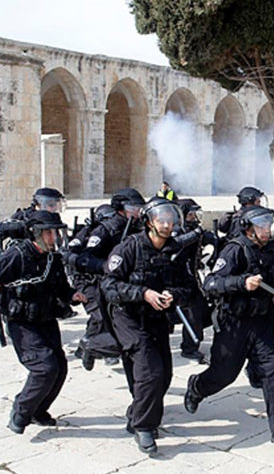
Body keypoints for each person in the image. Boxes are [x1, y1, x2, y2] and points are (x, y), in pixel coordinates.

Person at [183, 206, 274, 444]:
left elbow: (273, 279)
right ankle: (197, 387)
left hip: (260, 322)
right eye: (261, 226)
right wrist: (242, 282)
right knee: (223, 375)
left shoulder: (270, 249)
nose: (266, 230)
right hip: (234, 325)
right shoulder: (234, 250)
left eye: (268, 225)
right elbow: (211, 283)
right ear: (248, 228)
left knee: (273, 368)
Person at [102, 198, 195, 454]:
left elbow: (189, 288)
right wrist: (143, 293)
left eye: (170, 220)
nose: (167, 225)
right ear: (149, 222)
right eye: (161, 220)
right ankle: (144, 427)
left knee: (163, 375)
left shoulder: (174, 251)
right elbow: (109, 286)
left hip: (157, 319)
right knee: (149, 372)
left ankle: (137, 414)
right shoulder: (128, 248)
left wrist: (172, 295)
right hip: (128, 317)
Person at [2, 211, 86, 434]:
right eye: (48, 232)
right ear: (36, 233)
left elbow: (60, 287)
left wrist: (72, 296)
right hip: (22, 322)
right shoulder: (16, 255)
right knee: (44, 368)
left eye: (55, 232)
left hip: (46, 318)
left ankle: (38, 410)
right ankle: (21, 411)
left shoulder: (53, 258)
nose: (53, 237)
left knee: (59, 367)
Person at [64, 188, 146, 371]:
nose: (139, 211)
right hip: (90, 281)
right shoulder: (105, 229)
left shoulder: (137, 227)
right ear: (121, 208)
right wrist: (107, 266)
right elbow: (84, 259)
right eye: (135, 207)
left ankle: (88, 345)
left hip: (116, 283)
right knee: (104, 318)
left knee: (106, 319)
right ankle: (97, 348)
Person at [175, 198, 216, 362]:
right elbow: (175, 244)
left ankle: (193, 340)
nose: (194, 218)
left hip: (192, 279)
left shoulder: (194, 230)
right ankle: (189, 348)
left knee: (201, 312)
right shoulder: (175, 230)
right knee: (192, 314)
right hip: (176, 281)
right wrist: (195, 234)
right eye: (191, 214)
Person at [0, 188, 66, 245]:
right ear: (39, 204)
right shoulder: (23, 216)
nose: (54, 208)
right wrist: (21, 225)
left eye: (56, 205)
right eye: (51, 205)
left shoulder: (53, 218)